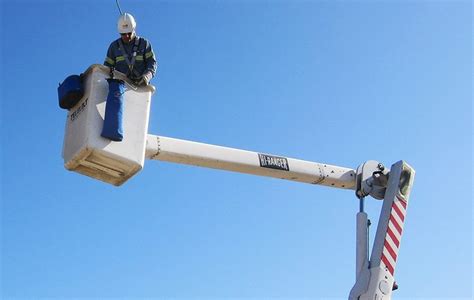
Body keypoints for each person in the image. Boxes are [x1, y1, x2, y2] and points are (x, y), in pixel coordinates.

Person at [104, 13, 157, 86]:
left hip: (140, 87)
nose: (127, 36)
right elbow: (106, 69)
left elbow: (152, 63)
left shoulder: (144, 44)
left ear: (134, 29)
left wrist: (146, 77)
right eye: (123, 34)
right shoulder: (114, 47)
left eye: (129, 33)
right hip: (120, 87)